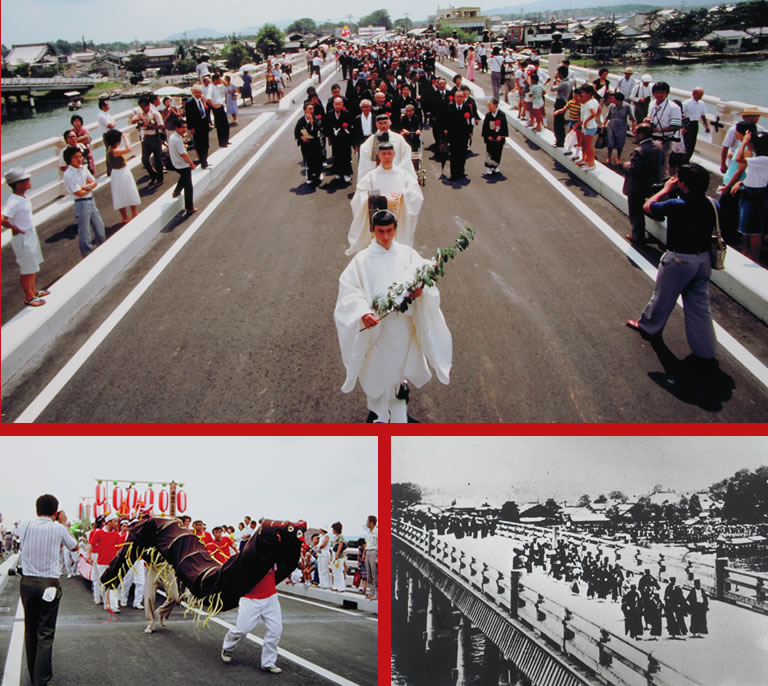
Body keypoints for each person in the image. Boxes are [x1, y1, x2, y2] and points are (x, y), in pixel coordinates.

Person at [334, 210, 452, 422]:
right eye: (381, 231)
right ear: (372, 230)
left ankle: (399, 415)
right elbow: (350, 291)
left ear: (396, 229)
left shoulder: (408, 255)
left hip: (402, 329)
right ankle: (379, 414)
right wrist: (363, 311)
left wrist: (420, 291)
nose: (386, 237)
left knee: (398, 372)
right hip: (378, 331)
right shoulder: (362, 261)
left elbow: (426, 284)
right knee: (377, 371)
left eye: (389, 231)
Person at [626, 163, 718, 369]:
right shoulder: (713, 203)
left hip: (679, 260)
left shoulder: (677, 204)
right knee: (700, 307)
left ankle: (649, 327)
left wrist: (666, 189)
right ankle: (706, 350)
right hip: (703, 260)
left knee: (663, 297)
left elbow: (648, 207)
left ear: (683, 184)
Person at [15, 493, 77, 686]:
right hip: (48, 584)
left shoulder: (25, 525)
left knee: (30, 630)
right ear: (56, 512)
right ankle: (41, 680)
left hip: (27, 582)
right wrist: (64, 522)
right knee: (45, 633)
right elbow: (74, 546)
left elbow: (16, 535)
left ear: (37, 509)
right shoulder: (58, 528)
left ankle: (33, 675)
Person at [347, 142, 423, 255]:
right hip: (377, 218)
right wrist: (371, 198)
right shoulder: (371, 176)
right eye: (383, 154)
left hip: (399, 217)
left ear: (394, 155)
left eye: (389, 153)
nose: (386, 157)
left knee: (398, 250)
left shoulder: (404, 175)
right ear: (379, 155)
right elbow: (360, 195)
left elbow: (415, 194)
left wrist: (403, 195)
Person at [221, 563, 283, 674]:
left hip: (271, 597)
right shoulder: (249, 551)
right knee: (242, 630)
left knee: (275, 630)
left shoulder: (274, 551)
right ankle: (228, 648)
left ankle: (268, 663)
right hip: (250, 599)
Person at [2, 168, 48, 307]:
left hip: (30, 235)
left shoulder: (22, 197)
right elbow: (3, 219)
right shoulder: (14, 201)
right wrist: (15, 228)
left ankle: (34, 292)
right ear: (18, 184)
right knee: (27, 269)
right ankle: (29, 297)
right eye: (26, 180)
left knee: (33, 266)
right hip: (23, 238)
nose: (29, 181)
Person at [623, 123, 664, 243]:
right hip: (653, 182)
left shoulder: (639, 151)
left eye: (635, 132)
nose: (634, 134)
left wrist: (626, 165)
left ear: (641, 134)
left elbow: (633, 170)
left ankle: (637, 235)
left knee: (636, 212)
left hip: (638, 185)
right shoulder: (659, 146)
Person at [62, 146, 106, 257]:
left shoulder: (83, 169)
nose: (79, 159)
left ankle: (103, 251)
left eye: (80, 156)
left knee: (100, 229)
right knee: (84, 233)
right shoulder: (68, 174)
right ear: (69, 159)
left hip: (91, 201)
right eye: (76, 157)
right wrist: (89, 187)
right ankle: (87, 256)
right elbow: (79, 193)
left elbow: (94, 183)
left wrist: (84, 187)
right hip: (81, 204)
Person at [732, 130, 768, 260]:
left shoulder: (761, 160)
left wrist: (744, 142)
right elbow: (758, 176)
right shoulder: (760, 161)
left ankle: (754, 258)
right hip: (751, 192)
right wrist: (742, 182)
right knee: (747, 228)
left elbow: (738, 158)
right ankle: (747, 253)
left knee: (753, 231)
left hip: (755, 196)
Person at [358, 114, 417, 181]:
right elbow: (364, 150)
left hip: (396, 170)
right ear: (376, 125)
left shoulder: (398, 138)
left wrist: (399, 168)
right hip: (378, 173)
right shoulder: (372, 139)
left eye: (385, 123)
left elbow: (406, 151)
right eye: (380, 123)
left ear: (389, 123)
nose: (383, 126)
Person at [86, 513, 121, 613]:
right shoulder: (99, 533)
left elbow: (120, 548)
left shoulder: (116, 534)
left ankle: (114, 605)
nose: (116, 523)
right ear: (109, 522)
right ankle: (107, 603)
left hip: (113, 563)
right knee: (104, 583)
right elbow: (91, 544)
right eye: (114, 521)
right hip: (101, 562)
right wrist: (88, 555)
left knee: (112, 583)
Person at [103, 128, 141, 223]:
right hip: (120, 173)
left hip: (120, 172)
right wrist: (126, 138)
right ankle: (126, 216)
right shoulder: (114, 151)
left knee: (128, 191)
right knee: (123, 193)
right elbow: (129, 149)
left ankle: (132, 213)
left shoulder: (111, 148)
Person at [648, 81, 683, 177]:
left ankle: (660, 186)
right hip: (652, 138)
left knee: (662, 165)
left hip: (665, 140)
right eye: (656, 92)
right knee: (650, 163)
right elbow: (649, 117)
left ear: (667, 93)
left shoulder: (673, 107)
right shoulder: (652, 103)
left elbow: (676, 126)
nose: (659, 95)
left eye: (662, 92)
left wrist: (659, 130)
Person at [131, 96, 165, 186]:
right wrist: (137, 119)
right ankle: (153, 175)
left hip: (155, 137)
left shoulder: (155, 113)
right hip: (146, 138)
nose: (143, 108)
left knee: (157, 160)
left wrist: (149, 125)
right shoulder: (140, 113)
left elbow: (161, 126)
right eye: (141, 107)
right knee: (144, 159)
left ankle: (160, 179)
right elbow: (132, 121)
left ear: (148, 105)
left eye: (144, 106)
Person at [169, 120, 198, 216]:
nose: (185, 129)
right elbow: (184, 154)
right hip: (182, 164)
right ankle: (189, 208)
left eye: (185, 127)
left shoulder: (173, 137)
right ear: (176, 128)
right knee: (188, 186)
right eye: (183, 127)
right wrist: (191, 164)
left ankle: (177, 191)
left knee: (184, 178)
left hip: (176, 163)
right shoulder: (177, 140)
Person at [324, 96, 355, 183]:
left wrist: (346, 128)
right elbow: (326, 127)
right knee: (336, 156)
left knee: (345, 156)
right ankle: (338, 172)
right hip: (335, 139)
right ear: (333, 105)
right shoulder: (330, 114)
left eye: (339, 104)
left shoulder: (347, 114)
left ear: (342, 104)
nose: (337, 106)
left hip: (345, 139)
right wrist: (329, 136)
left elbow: (351, 126)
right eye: (336, 104)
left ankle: (346, 173)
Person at [444, 89, 473, 181]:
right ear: (455, 97)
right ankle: (454, 174)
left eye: (461, 97)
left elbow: (470, 121)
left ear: (464, 98)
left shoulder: (467, 107)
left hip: (463, 135)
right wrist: (445, 130)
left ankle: (461, 170)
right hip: (453, 135)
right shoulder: (450, 107)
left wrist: (470, 132)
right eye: (457, 97)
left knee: (462, 154)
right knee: (453, 155)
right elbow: (446, 120)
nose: (459, 98)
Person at [295, 102, 324, 186]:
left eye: (312, 109)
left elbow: (318, 130)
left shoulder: (316, 119)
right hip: (306, 145)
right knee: (308, 160)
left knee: (317, 160)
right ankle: (310, 177)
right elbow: (297, 131)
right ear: (305, 110)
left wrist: (311, 122)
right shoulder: (301, 121)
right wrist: (301, 137)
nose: (311, 111)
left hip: (315, 143)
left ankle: (318, 174)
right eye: (309, 109)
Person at [604, 92, 635, 166]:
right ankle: (609, 157)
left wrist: (634, 128)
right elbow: (607, 116)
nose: (612, 100)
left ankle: (618, 157)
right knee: (610, 142)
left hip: (621, 127)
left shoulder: (627, 106)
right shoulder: (611, 105)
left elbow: (632, 118)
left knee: (620, 143)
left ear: (619, 100)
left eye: (613, 99)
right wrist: (603, 124)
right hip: (611, 125)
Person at [185, 85, 211, 170]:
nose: (198, 94)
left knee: (206, 144)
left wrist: (208, 122)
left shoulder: (201, 101)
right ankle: (203, 163)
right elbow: (188, 117)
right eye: (196, 92)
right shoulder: (190, 103)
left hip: (204, 126)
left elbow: (205, 113)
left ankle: (205, 161)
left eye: (200, 92)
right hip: (196, 127)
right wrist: (191, 128)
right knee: (200, 145)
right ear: (193, 93)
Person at [682, 88, 710, 162]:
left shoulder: (702, 104)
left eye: (701, 95)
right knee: (685, 142)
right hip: (687, 124)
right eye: (699, 95)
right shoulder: (686, 103)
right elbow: (681, 114)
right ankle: (683, 158)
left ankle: (688, 158)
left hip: (695, 124)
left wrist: (706, 126)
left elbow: (703, 115)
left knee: (692, 142)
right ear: (693, 93)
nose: (700, 97)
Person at [482, 98, 508, 175]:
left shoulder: (501, 115)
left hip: (498, 138)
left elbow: (504, 127)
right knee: (490, 152)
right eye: (488, 105)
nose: (489, 107)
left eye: (490, 105)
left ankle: (496, 166)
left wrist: (500, 136)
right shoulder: (488, 115)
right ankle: (489, 167)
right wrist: (488, 136)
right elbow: (485, 127)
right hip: (490, 137)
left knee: (498, 152)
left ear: (495, 105)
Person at [207, 73, 230, 148]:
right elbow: (208, 99)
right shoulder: (210, 88)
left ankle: (226, 140)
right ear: (215, 80)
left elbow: (226, 84)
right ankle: (222, 142)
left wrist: (221, 79)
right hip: (217, 108)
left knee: (225, 124)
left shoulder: (217, 87)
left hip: (221, 106)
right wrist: (214, 106)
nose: (220, 81)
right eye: (219, 79)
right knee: (220, 126)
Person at [97, 98, 117, 176]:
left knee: (113, 152)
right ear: (103, 106)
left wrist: (113, 123)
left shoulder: (106, 114)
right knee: (109, 153)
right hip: (107, 135)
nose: (109, 105)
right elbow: (111, 125)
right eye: (107, 104)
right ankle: (110, 171)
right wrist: (114, 123)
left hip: (111, 134)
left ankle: (113, 169)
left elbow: (113, 123)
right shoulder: (101, 115)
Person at [330, 522, 347, 592]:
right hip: (335, 554)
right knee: (335, 571)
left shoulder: (340, 536)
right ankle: (336, 586)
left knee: (339, 571)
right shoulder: (335, 537)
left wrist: (337, 554)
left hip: (339, 556)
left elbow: (340, 545)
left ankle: (341, 587)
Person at [364, 516, 378, 600]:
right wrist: (363, 554)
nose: (366, 523)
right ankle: (371, 593)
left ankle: (377, 594)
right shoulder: (368, 532)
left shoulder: (377, 531)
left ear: (371, 522)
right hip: (368, 552)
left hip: (374, 552)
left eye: (367, 521)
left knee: (374, 574)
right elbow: (366, 544)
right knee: (369, 575)